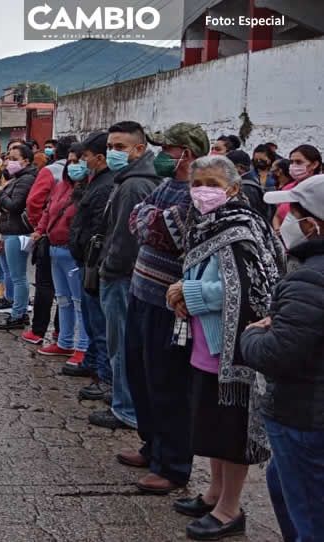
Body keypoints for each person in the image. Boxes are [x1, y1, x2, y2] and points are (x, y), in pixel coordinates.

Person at [166, 155, 284, 541]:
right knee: (213, 426)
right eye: (198, 182)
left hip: (232, 349)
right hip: (207, 341)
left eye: (214, 184)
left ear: (233, 189)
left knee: (231, 431)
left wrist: (189, 292)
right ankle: (214, 492)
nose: (205, 191)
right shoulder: (207, 224)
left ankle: (230, 509)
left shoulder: (243, 228)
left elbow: (251, 290)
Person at [122, 122, 209, 495]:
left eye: (167, 149)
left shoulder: (199, 192)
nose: (160, 155)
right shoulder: (166, 185)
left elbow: (166, 232)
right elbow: (137, 220)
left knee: (167, 383)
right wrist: (148, 219)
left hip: (168, 302)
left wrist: (148, 219)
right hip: (142, 292)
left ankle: (172, 465)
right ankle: (151, 445)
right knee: (139, 375)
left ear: (185, 154)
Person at [241, 175, 324, 541]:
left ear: (313, 224)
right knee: (283, 486)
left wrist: (253, 334)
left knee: (308, 515)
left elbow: (278, 354)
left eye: (295, 212)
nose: (285, 219)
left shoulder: (308, 281)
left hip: (305, 416)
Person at [89, 121, 160, 431]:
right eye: (110, 147)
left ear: (139, 149)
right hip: (126, 274)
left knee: (122, 345)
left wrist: (109, 268)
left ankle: (125, 409)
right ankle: (124, 400)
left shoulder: (134, 185)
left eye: (119, 147)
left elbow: (125, 238)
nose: (113, 152)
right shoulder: (133, 178)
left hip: (121, 276)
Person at [67, 132, 115, 401]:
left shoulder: (107, 185)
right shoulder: (94, 182)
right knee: (89, 316)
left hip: (95, 262)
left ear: (98, 157)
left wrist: (87, 249)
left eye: (84, 157)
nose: (81, 162)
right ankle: (92, 363)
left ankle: (104, 376)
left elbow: (100, 226)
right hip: (85, 260)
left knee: (99, 322)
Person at [30, 144, 86, 366]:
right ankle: (64, 342)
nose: (73, 166)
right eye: (70, 161)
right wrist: (40, 230)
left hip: (73, 253)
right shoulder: (62, 186)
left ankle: (82, 346)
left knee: (79, 301)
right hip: (54, 249)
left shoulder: (90, 190)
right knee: (62, 300)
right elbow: (48, 210)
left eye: (78, 161)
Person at [20, 137, 75, 344]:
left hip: (51, 238)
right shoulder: (84, 175)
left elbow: (34, 202)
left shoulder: (50, 171)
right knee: (67, 292)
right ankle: (62, 332)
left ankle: (39, 330)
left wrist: (40, 228)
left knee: (46, 285)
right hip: (68, 239)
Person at [0, 145, 36, 329]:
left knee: (18, 276)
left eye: (13, 158)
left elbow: (14, 205)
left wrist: (0, 193)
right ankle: (16, 308)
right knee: (12, 273)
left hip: (18, 232)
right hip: (10, 230)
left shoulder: (25, 180)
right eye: (8, 157)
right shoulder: (16, 179)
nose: (8, 162)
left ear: (26, 161)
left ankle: (19, 313)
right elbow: (3, 206)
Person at [272, 145, 322, 230]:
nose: (293, 166)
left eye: (299, 162)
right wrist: (277, 229)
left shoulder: (320, 189)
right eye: (291, 162)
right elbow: (277, 216)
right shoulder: (288, 188)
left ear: (314, 164)